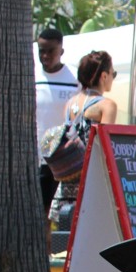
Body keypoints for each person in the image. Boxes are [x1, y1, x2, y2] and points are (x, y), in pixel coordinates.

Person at [49, 51, 118, 232]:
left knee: (64, 239)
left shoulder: (70, 103)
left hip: (66, 184)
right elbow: (105, 147)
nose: (112, 77)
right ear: (104, 76)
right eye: (113, 73)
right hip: (90, 182)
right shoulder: (106, 105)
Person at [35, 28, 79, 213]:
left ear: (61, 51)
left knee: (56, 213)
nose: (45, 55)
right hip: (34, 157)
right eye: (41, 51)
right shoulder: (31, 75)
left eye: (50, 51)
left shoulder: (75, 79)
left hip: (62, 158)